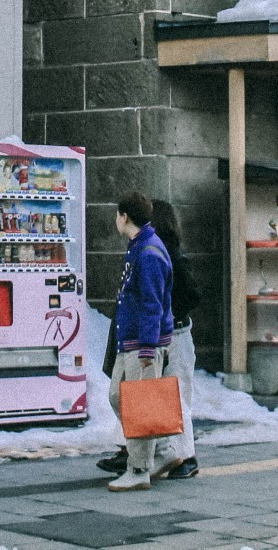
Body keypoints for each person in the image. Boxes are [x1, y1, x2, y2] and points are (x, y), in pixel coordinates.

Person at [99, 198, 201, 480]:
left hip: (172, 335)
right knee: (146, 395)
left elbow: (182, 295)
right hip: (159, 334)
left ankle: (183, 455)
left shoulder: (158, 252)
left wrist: (165, 318)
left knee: (172, 396)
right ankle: (148, 451)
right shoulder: (148, 248)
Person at [105, 192, 174, 492]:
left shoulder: (147, 253)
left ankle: (139, 469)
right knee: (119, 397)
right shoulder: (141, 247)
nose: (115, 220)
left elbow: (151, 304)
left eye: (117, 215)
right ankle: (159, 451)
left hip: (141, 344)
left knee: (137, 404)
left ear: (125, 217)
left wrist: (148, 348)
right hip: (130, 340)